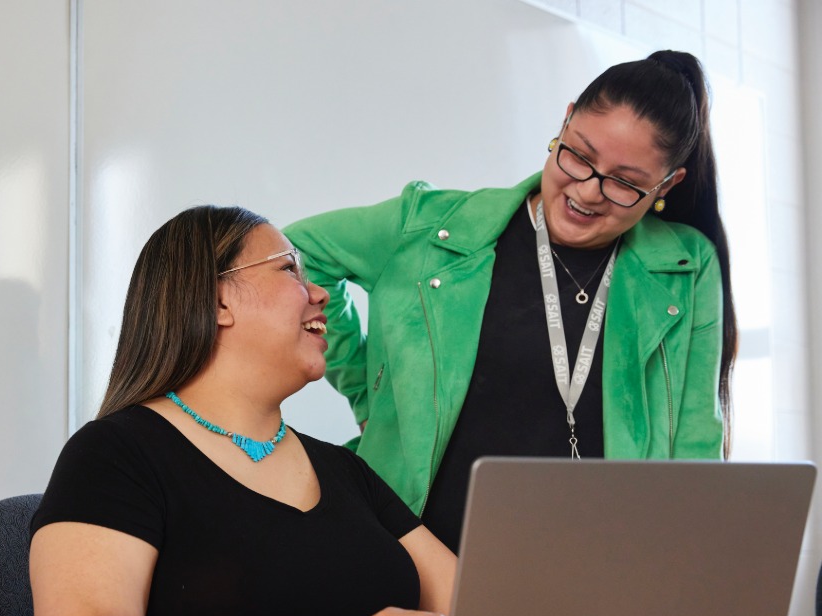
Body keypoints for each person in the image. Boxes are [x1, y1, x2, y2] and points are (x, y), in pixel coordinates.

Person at [284, 50, 737, 554]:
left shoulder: (686, 267)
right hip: (417, 567)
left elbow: (696, 449)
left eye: (625, 183)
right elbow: (295, 256)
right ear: (564, 120)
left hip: (595, 568)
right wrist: (367, 392)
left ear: (665, 186)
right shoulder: (430, 227)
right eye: (579, 155)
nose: (587, 192)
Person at [29, 206, 457, 616]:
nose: (319, 292)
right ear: (217, 301)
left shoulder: (346, 471)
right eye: (289, 269)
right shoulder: (115, 454)